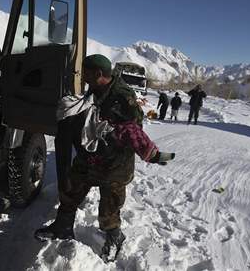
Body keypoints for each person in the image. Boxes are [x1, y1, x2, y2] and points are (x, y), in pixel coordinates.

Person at [34, 54, 173, 262]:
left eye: (87, 72)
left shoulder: (123, 97)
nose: (83, 76)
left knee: (109, 206)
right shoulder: (96, 87)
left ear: (99, 74)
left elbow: (136, 130)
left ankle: (115, 236)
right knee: (71, 189)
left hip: (114, 163)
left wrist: (111, 133)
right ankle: (63, 226)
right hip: (90, 157)